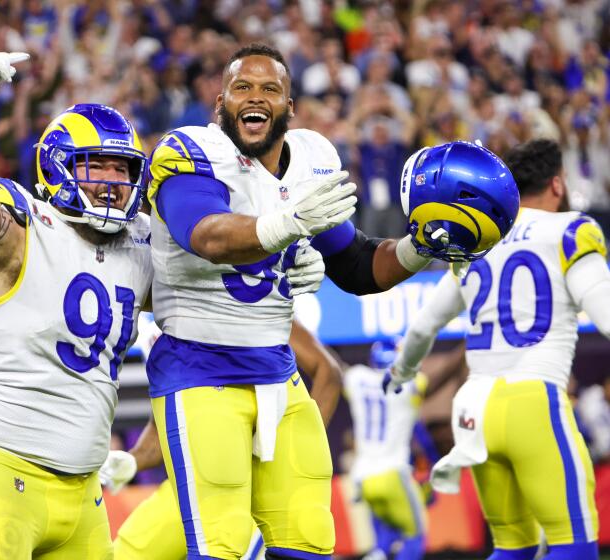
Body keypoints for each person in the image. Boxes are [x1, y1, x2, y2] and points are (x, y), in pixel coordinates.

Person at [144, 42, 519, 559]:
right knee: (221, 545)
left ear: (289, 106)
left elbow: (359, 265)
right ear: (221, 103)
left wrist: (418, 247)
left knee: (308, 540)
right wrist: (286, 227)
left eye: (270, 88)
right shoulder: (190, 152)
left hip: (278, 373)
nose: (256, 97)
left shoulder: (310, 162)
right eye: (242, 88)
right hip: (200, 370)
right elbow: (205, 233)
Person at [0, 52, 154, 559]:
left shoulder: (142, 245)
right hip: (1, 472)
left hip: (85, 491)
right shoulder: (23, 225)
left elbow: (206, 299)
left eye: (122, 168)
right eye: (96, 165)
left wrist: (278, 259)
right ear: (58, 166)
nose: (113, 182)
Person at [388, 138, 607, 560]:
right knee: (573, 545)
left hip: (475, 408)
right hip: (534, 400)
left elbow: (422, 329)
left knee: (512, 548)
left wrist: (399, 373)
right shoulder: (569, 229)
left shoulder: (475, 242)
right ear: (557, 186)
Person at [101, 319, 344, 560]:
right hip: (197, 482)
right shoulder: (165, 309)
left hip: (252, 488)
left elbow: (327, 370)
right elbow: (171, 422)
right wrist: (132, 460)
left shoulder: (244, 299)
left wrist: (292, 447)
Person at [344, 340, 439, 560]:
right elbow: (419, 431)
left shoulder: (357, 377)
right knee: (415, 537)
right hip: (393, 473)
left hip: (363, 477)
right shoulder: (411, 383)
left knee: (382, 545)